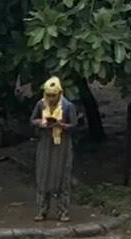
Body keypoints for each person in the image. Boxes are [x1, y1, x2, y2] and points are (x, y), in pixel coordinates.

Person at [31, 76, 77, 223]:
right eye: (48, 95)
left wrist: (61, 125)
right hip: (45, 143)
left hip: (62, 144)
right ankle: (42, 211)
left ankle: (63, 212)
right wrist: (41, 123)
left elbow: (74, 124)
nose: (51, 99)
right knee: (43, 176)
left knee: (63, 177)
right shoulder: (41, 104)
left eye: (53, 95)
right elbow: (33, 119)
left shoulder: (68, 106)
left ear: (59, 93)